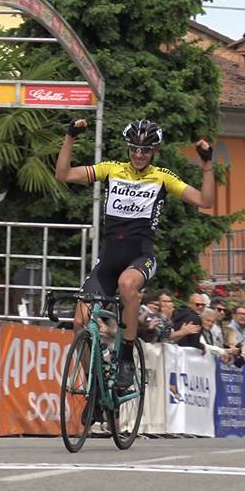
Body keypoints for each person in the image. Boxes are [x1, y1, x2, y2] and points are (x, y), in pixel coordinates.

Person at [55, 118, 215, 389]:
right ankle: (94, 387)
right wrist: (70, 137)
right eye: (134, 149)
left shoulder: (162, 177)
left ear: (154, 151)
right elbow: (64, 175)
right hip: (108, 260)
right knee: (80, 322)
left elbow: (205, 202)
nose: (139, 155)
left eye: (145, 150)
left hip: (140, 257)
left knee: (127, 284)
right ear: (128, 149)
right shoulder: (111, 169)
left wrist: (208, 165)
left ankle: (127, 355)